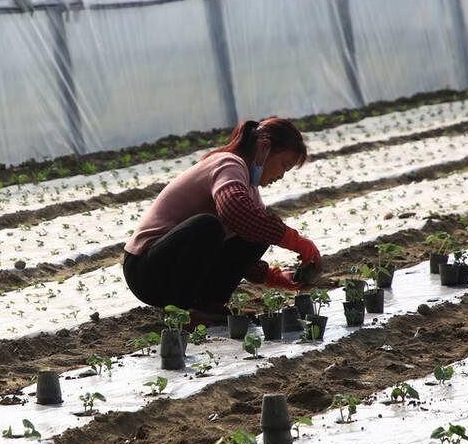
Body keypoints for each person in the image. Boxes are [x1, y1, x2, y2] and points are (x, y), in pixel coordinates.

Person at [122, 117, 321, 325]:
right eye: (284, 166)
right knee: (208, 226)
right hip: (146, 270)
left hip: (173, 269)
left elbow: (240, 253)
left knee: (259, 230)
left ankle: (209, 305)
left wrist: (276, 277)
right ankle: (184, 311)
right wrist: (298, 243)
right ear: (264, 147)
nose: (281, 176)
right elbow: (235, 211)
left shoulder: (250, 189)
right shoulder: (228, 163)